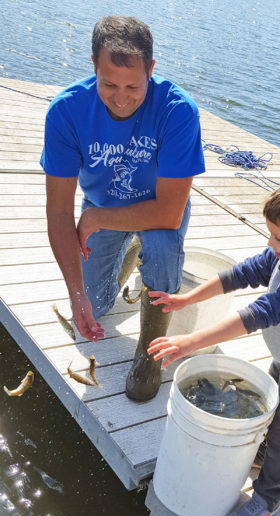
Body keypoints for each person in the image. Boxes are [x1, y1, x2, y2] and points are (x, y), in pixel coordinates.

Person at [147, 175, 280, 516]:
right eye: (270, 234)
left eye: (278, 238)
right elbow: (241, 274)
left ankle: (269, 495)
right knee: (270, 411)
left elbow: (255, 315)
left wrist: (190, 341)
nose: (270, 244)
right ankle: (262, 454)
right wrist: (186, 298)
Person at [40, 15, 205, 402]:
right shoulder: (65, 112)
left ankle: (149, 350)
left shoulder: (179, 111)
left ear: (151, 69)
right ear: (93, 66)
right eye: (108, 84)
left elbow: (168, 213)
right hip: (102, 205)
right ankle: (130, 253)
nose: (121, 98)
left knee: (162, 247)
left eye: (134, 86)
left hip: (156, 210)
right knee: (93, 308)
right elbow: (60, 214)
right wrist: (76, 294)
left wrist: (96, 217)